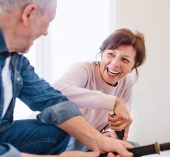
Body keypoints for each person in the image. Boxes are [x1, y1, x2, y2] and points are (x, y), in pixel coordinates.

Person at [0, 0, 134, 157]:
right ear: (28, 14)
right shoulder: (84, 68)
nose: (45, 32)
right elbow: (61, 88)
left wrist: (98, 140)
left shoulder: (16, 61)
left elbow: (52, 100)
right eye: (48, 22)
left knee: (58, 131)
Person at [52, 28, 146, 151]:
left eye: (125, 59)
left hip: (91, 139)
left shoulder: (126, 82)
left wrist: (109, 134)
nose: (115, 63)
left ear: (134, 66)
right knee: (80, 143)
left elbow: (117, 121)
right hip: (55, 134)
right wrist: (113, 102)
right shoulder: (83, 70)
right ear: (102, 54)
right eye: (111, 54)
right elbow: (56, 91)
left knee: (133, 148)